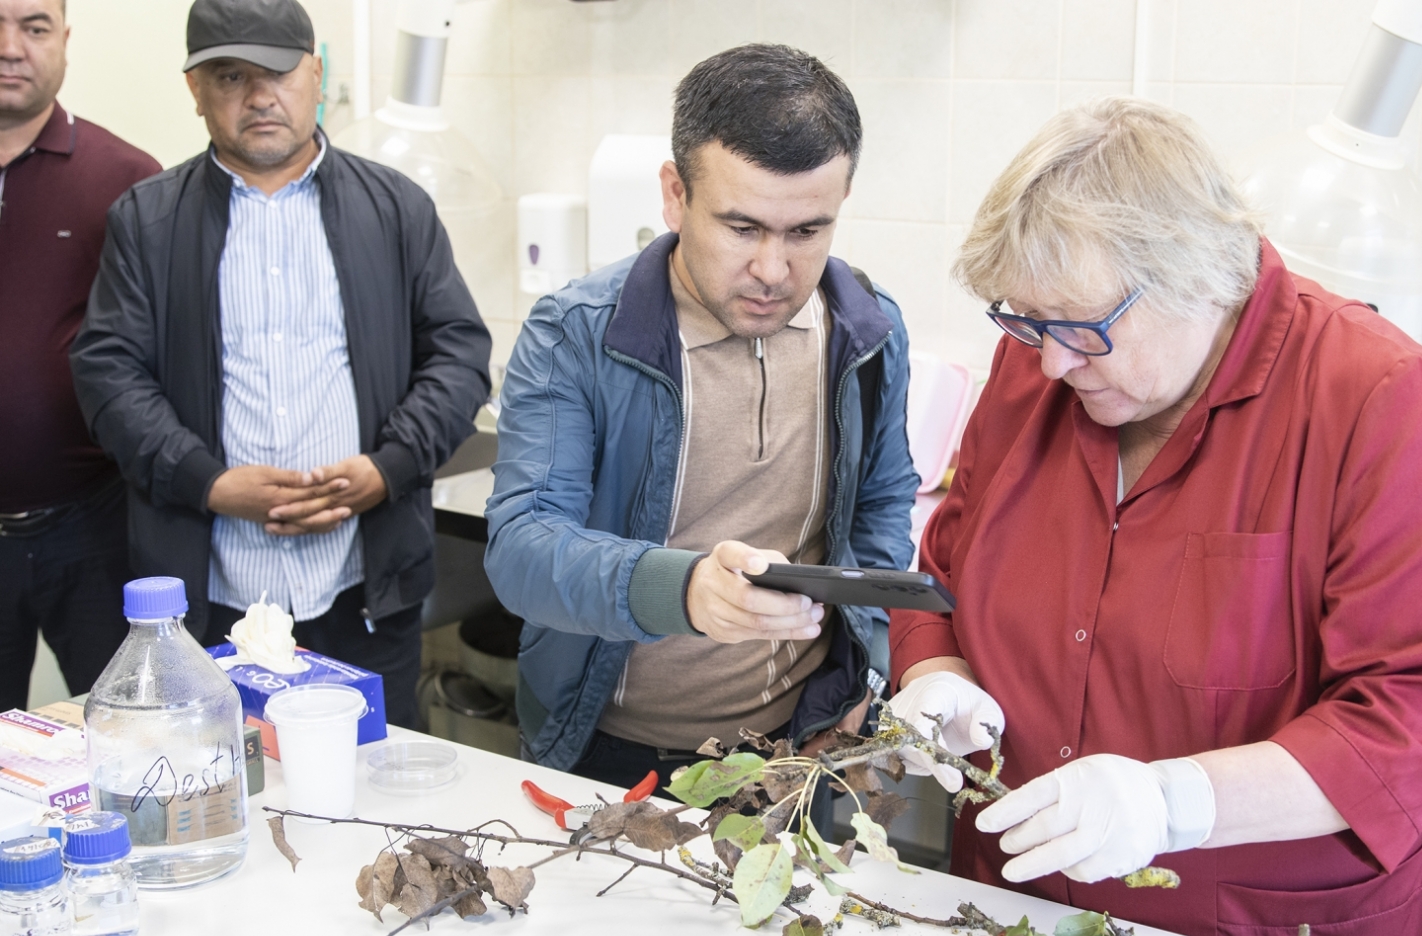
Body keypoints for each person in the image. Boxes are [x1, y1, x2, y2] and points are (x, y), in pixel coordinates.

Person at [886, 98, 1422, 936]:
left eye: (1083, 328)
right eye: (1027, 324)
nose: (1051, 364)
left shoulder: (1376, 398)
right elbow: (941, 574)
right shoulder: (1044, 368)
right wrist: (934, 676)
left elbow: (1412, 716)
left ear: (1199, 280)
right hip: (1026, 929)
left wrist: (1175, 802)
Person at [485, 44, 920, 789]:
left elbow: (880, 512)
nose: (774, 271)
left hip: (795, 753)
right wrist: (683, 591)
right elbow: (522, 548)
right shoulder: (577, 334)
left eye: (807, 231)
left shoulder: (868, 332)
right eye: (742, 227)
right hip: (609, 758)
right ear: (674, 194)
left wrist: (866, 673)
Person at [70, 0, 490, 730]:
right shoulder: (146, 220)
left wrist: (387, 467)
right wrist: (209, 482)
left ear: (316, 75)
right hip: (211, 595)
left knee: (373, 796)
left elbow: (459, 354)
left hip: (363, 585)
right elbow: (109, 373)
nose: (260, 96)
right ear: (195, 91)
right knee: (222, 796)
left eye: (279, 72)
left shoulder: (396, 208)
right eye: (231, 76)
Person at [0, 0, 160, 710]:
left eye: (34, 27)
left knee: (128, 745)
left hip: (94, 527)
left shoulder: (124, 177)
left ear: (64, 41)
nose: (11, 48)